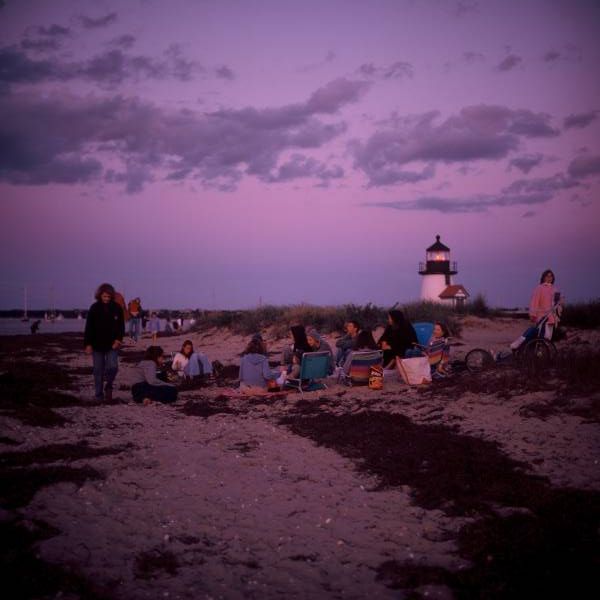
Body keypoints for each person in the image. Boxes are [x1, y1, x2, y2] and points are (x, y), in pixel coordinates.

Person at [84, 283, 125, 402]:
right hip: (96, 345)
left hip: (112, 345)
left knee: (113, 366)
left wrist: (118, 340)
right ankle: (98, 395)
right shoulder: (94, 308)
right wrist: (87, 344)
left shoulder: (117, 308)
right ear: (100, 295)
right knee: (98, 370)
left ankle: (109, 385)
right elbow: (89, 327)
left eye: (108, 296)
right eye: (104, 296)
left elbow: (121, 327)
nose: (106, 299)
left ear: (111, 296)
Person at [528, 269, 562, 340]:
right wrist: (532, 314)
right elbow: (534, 302)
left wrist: (560, 303)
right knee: (541, 336)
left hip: (551, 318)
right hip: (542, 317)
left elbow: (557, 305)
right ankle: (539, 350)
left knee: (548, 337)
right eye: (547, 276)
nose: (549, 278)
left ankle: (544, 350)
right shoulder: (539, 288)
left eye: (551, 276)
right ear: (543, 277)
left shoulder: (555, 289)